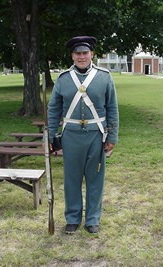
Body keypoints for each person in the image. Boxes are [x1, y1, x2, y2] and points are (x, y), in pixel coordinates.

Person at [48, 36, 119, 234]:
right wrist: (53, 134)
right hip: (71, 136)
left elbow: (112, 108)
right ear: (72, 55)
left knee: (95, 179)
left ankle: (92, 220)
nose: (81, 57)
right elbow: (53, 108)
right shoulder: (63, 79)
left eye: (85, 53)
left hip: (96, 135)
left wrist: (112, 137)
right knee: (72, 179)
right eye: (77, 53)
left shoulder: (104, 77)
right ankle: (72, 218)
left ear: (92, 54)